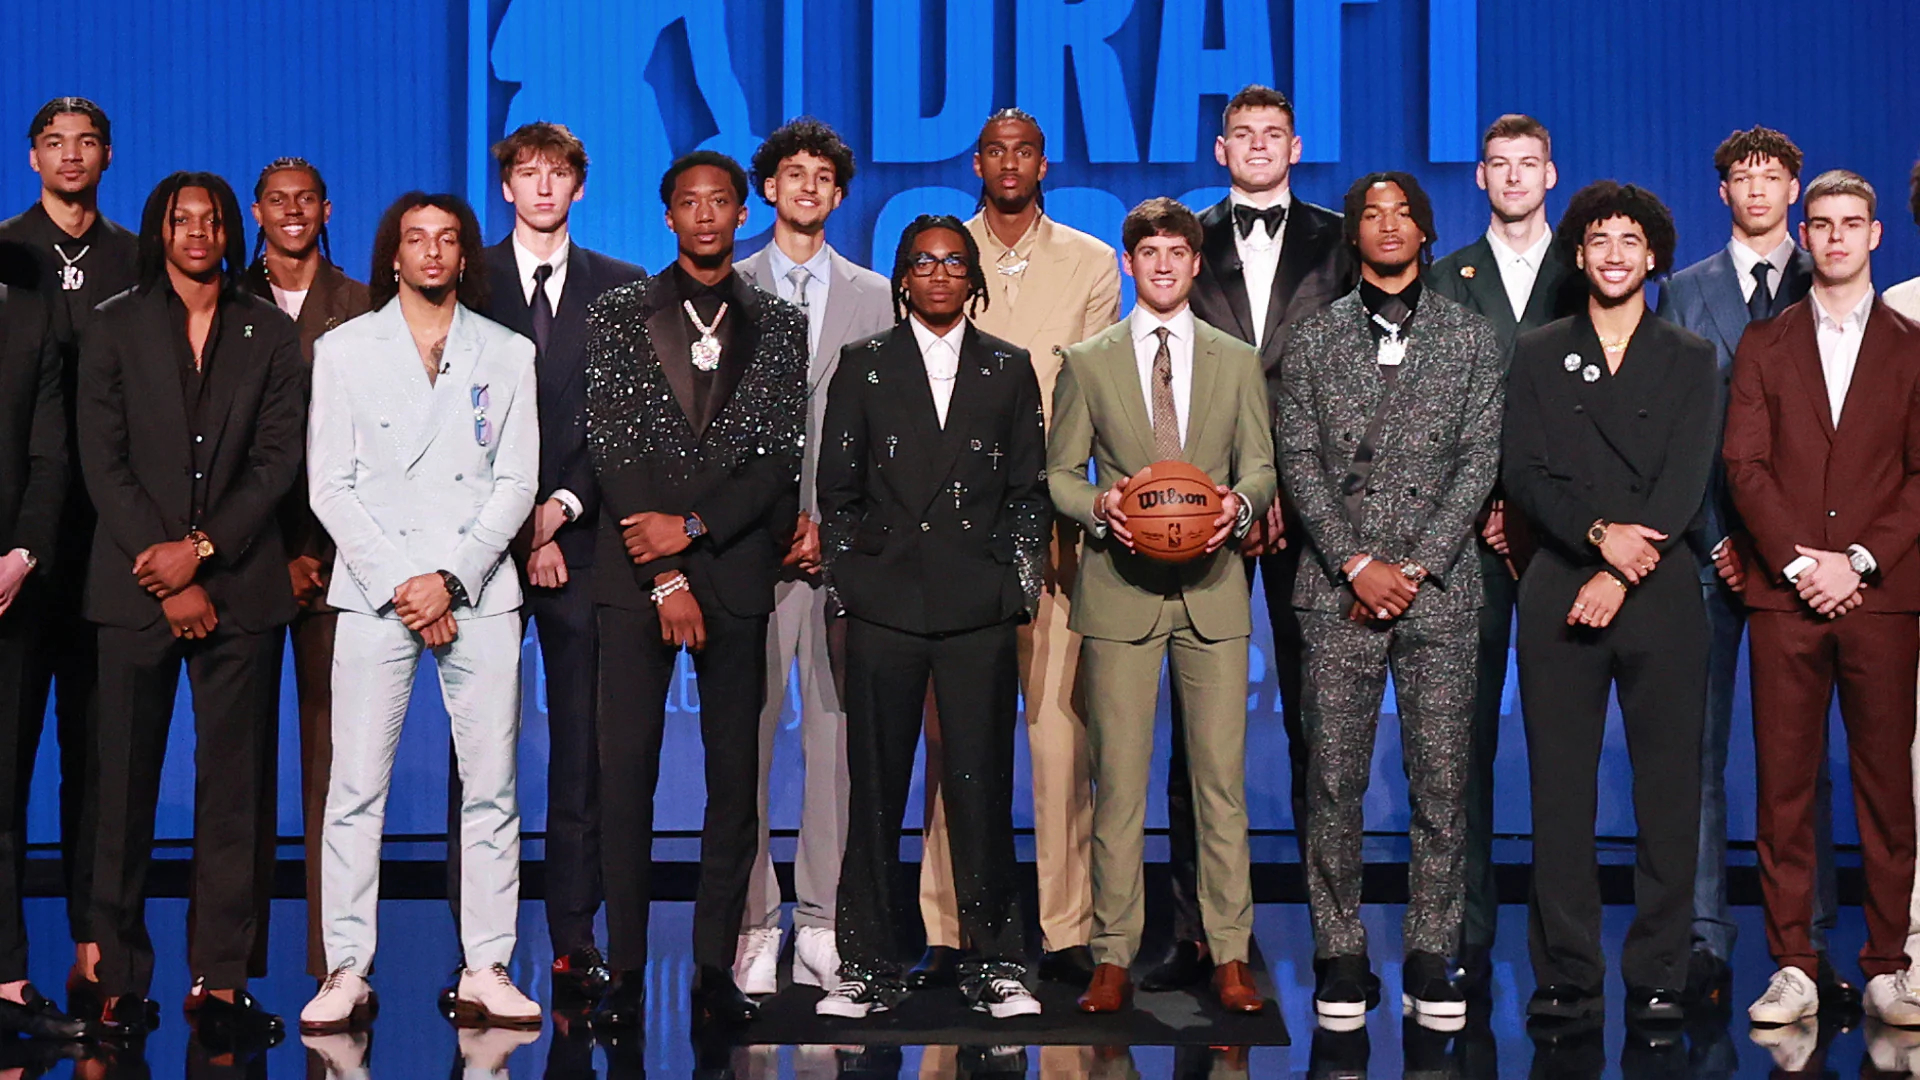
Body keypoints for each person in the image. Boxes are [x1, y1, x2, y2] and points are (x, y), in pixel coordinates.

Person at [298, 192, 541, 1033]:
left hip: (478, 591)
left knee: (492, 789)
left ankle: (487, 965)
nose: (431, 252)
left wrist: (452, 578)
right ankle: (346, 968)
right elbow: (330, 484)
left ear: (465, 255)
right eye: (415, 239)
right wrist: (407, 581)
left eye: (446, 239)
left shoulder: (507, 351)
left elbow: (517, 480)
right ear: (393, 255)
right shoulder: (344, 350)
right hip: (377, 593)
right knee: (354, 788)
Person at [79, 172, 305, 1046]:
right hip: (136, 589)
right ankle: (117, 979)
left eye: (212, 220)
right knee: (121, 791)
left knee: (235, 796)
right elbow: (103, 461)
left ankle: (222, 980)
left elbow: (277, 461)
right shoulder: (114, 325)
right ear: (160, 230)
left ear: (230, 233)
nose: (199, 232)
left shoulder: (269, 331)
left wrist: (202, 553)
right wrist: (169, 573)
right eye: (183, 219)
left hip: (240, 590)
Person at [583, 151, 806, 1030]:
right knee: (625, 776)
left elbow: (777, 459)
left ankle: (715, 967)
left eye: (720, 201)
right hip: (636, 573)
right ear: (667, 215)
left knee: (733, 779)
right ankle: (627, 968)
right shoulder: (618, 314)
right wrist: (666, 568)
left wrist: (698, 528)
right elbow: (613, 447)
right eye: (688, 202)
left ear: (744, 213)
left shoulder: (780, 324)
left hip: (738, 568)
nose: (705, 215)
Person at [1278, 174, 1505, 1025]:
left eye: (1402, 213)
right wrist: (1355, 562)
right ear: (1354, 234)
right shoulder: (1314, 338)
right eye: (1371, 215)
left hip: (1438, 592)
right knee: (1333, 780)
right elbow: (1298, 459)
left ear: (1426, 231)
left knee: (1441, 783)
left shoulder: (1471, 339)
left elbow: (1479, 460)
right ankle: (1339, 952)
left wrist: (1413, 566)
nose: (1386, 226)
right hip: (1337, 590)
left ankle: (1431, 952)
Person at [901, 107, 1118, 992]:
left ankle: (1066, 929)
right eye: (995, 150)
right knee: (955, 734)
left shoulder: (1091, 262)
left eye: (1025, 150)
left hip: (1053, 524)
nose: (1010, 163)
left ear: (1043, 163)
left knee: (1060, 737)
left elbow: (1091, 394)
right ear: (978, 163)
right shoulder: (944, 255)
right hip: (951, 532)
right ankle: (947, 925)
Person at [810, 214, 1044, 1021]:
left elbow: (1028, 492)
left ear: (973, 278)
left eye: (953, 262)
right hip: (885, 605)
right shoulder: (864, 363)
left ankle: (997, 965)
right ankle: (868, 967)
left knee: (982, 789)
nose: (939, 274)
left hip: (978, 606)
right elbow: (837, 491)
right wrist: (852, 582)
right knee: (875, 790)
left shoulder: (1008, 367)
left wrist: (1014, 583)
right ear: (902, 277)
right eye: (923, 262)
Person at [1048, 198, 1275, 1017]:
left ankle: (1231, 952)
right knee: (1117, 785)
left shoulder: (1236, 359)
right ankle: (1112, 954)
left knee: (1220, 785)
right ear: (1129, 262)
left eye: (1179, 252)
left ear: (1196, 262)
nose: (1166, 265)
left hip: (1213, 592)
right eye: (1151, 253)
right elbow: (1059, 474)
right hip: (1120, 591)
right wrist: (1099, 506)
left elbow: (1260, 468)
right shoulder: (1089, 360)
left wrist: (1238, 508)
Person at [1502, 181, 1716, 1026]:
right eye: (1599, 240)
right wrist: (1598, 538)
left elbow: (1687, 477)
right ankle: (1567, 973)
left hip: (1660, 591)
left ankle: (1661, 970)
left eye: (1631, 240)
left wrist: (1623, 568)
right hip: (1561, 581)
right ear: (1579, 254)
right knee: (1559, 792)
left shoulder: (1690, 357)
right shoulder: (1538, 352)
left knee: (1668, 792)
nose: (1615, 254)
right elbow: (1523, 471)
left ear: (1653, 254)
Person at [1165, 83, 1355, 992]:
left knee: (1322, 725)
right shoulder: (1185, 239)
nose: (1256, 146)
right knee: (1196, 726)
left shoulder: (1342, 240)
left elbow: (1355, 374)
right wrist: (1234, 486)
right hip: (1203, 505)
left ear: (1296, 145)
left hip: (1318, 513)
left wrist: (1287, 482)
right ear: (1221, 149)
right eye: (1241, 134)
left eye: (1272, 134)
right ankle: (1194, 929)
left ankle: (1333, 931)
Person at [1651, 127, 1843, 1013]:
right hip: (1707, 554)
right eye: (1742, 176)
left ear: (1795, 190)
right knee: (1697, 753)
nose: (1757, 189)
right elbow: (1673, 428)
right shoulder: (1684, 291)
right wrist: (1713, 537)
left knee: (1804, 759)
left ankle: (1810, 941)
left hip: (1804, 561)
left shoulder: (1830, 281)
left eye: (1772, 176)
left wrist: (1787, 548)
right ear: (1721, 191)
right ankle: (1704, 937)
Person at [1725, 170, 1920, 1028]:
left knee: (1887, 791)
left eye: (1851, 224)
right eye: (1822, 224)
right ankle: (1793, 966)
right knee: (1783, 791)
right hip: (1786, 599)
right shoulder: (1763, 343)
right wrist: (1802, 567)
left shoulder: (1913, 347)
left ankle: (1889, 966)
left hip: (1883, 599)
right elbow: (1745, 465)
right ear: (1803, 236)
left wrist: (1860, 561)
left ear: (1876, 235)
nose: (1836, 237)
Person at [473, 120, 644, 1006]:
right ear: (506, 186)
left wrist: (561, 508)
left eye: (559, 173)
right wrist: (513, 526)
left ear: (579, 185)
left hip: (583, 541)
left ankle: (575, 939)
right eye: (528, 172)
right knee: (481, 756)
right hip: (479, 549)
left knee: (583, 753)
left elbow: (625, 417)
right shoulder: (467, 278)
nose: (543, 187)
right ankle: (480, 950)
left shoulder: (622, 288)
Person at [732, 117, 892, 996]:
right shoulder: (729, 286)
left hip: (841, 554)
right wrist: (766, 521)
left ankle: (822, 923)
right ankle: (756, 922)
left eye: (822, 177)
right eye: (792, 173)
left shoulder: (876, 295)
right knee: (746, 741)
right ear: (769, 189)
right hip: (749, 552)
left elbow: (887, 427)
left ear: (838, 194)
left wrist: (834, 522)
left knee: (835, 744)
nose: (806, 187)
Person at [1427, 116, 1583, 990]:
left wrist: (1537, 510)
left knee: (1563, 745)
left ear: (1551, 174)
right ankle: (1465, 927)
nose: (1515, 176)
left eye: (1530, 162)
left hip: (1565, 538)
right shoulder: (1448, 279)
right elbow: (1435, 412)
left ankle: (1563, 941)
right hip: (1472, 540)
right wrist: (1486, 506)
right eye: (1500, 164)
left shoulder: (1590, 271)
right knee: (1463, 741)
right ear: (1480, 177)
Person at [0, 97, 138, 998]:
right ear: (32, 157)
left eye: (87, 142)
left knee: (98, 762)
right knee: (9, 765)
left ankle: (96, 953)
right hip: (19, 547)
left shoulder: (137, 258)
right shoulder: (7, 254)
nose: (71, 156)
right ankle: (8, 973)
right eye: (54, 143)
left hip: (110, 546)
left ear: (108, 155)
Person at [239, 156, 373, 992]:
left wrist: (317, 552)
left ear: (326, 209)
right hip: (245, 562)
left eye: (306, 199)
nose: (292, 211)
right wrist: (269, 552)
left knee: (335, 773)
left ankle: (335, 966)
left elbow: (375, 443)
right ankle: (231, 970)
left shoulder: (363, 304)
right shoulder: (224, 300)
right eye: (276, 200)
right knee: (239, 772)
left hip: (337, 565)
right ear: (257, 211)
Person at [0, 275, 83, 1041]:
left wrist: (23, 554)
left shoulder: (28, 311)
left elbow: (50, 452)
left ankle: (6, 978)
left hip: (9, 586)